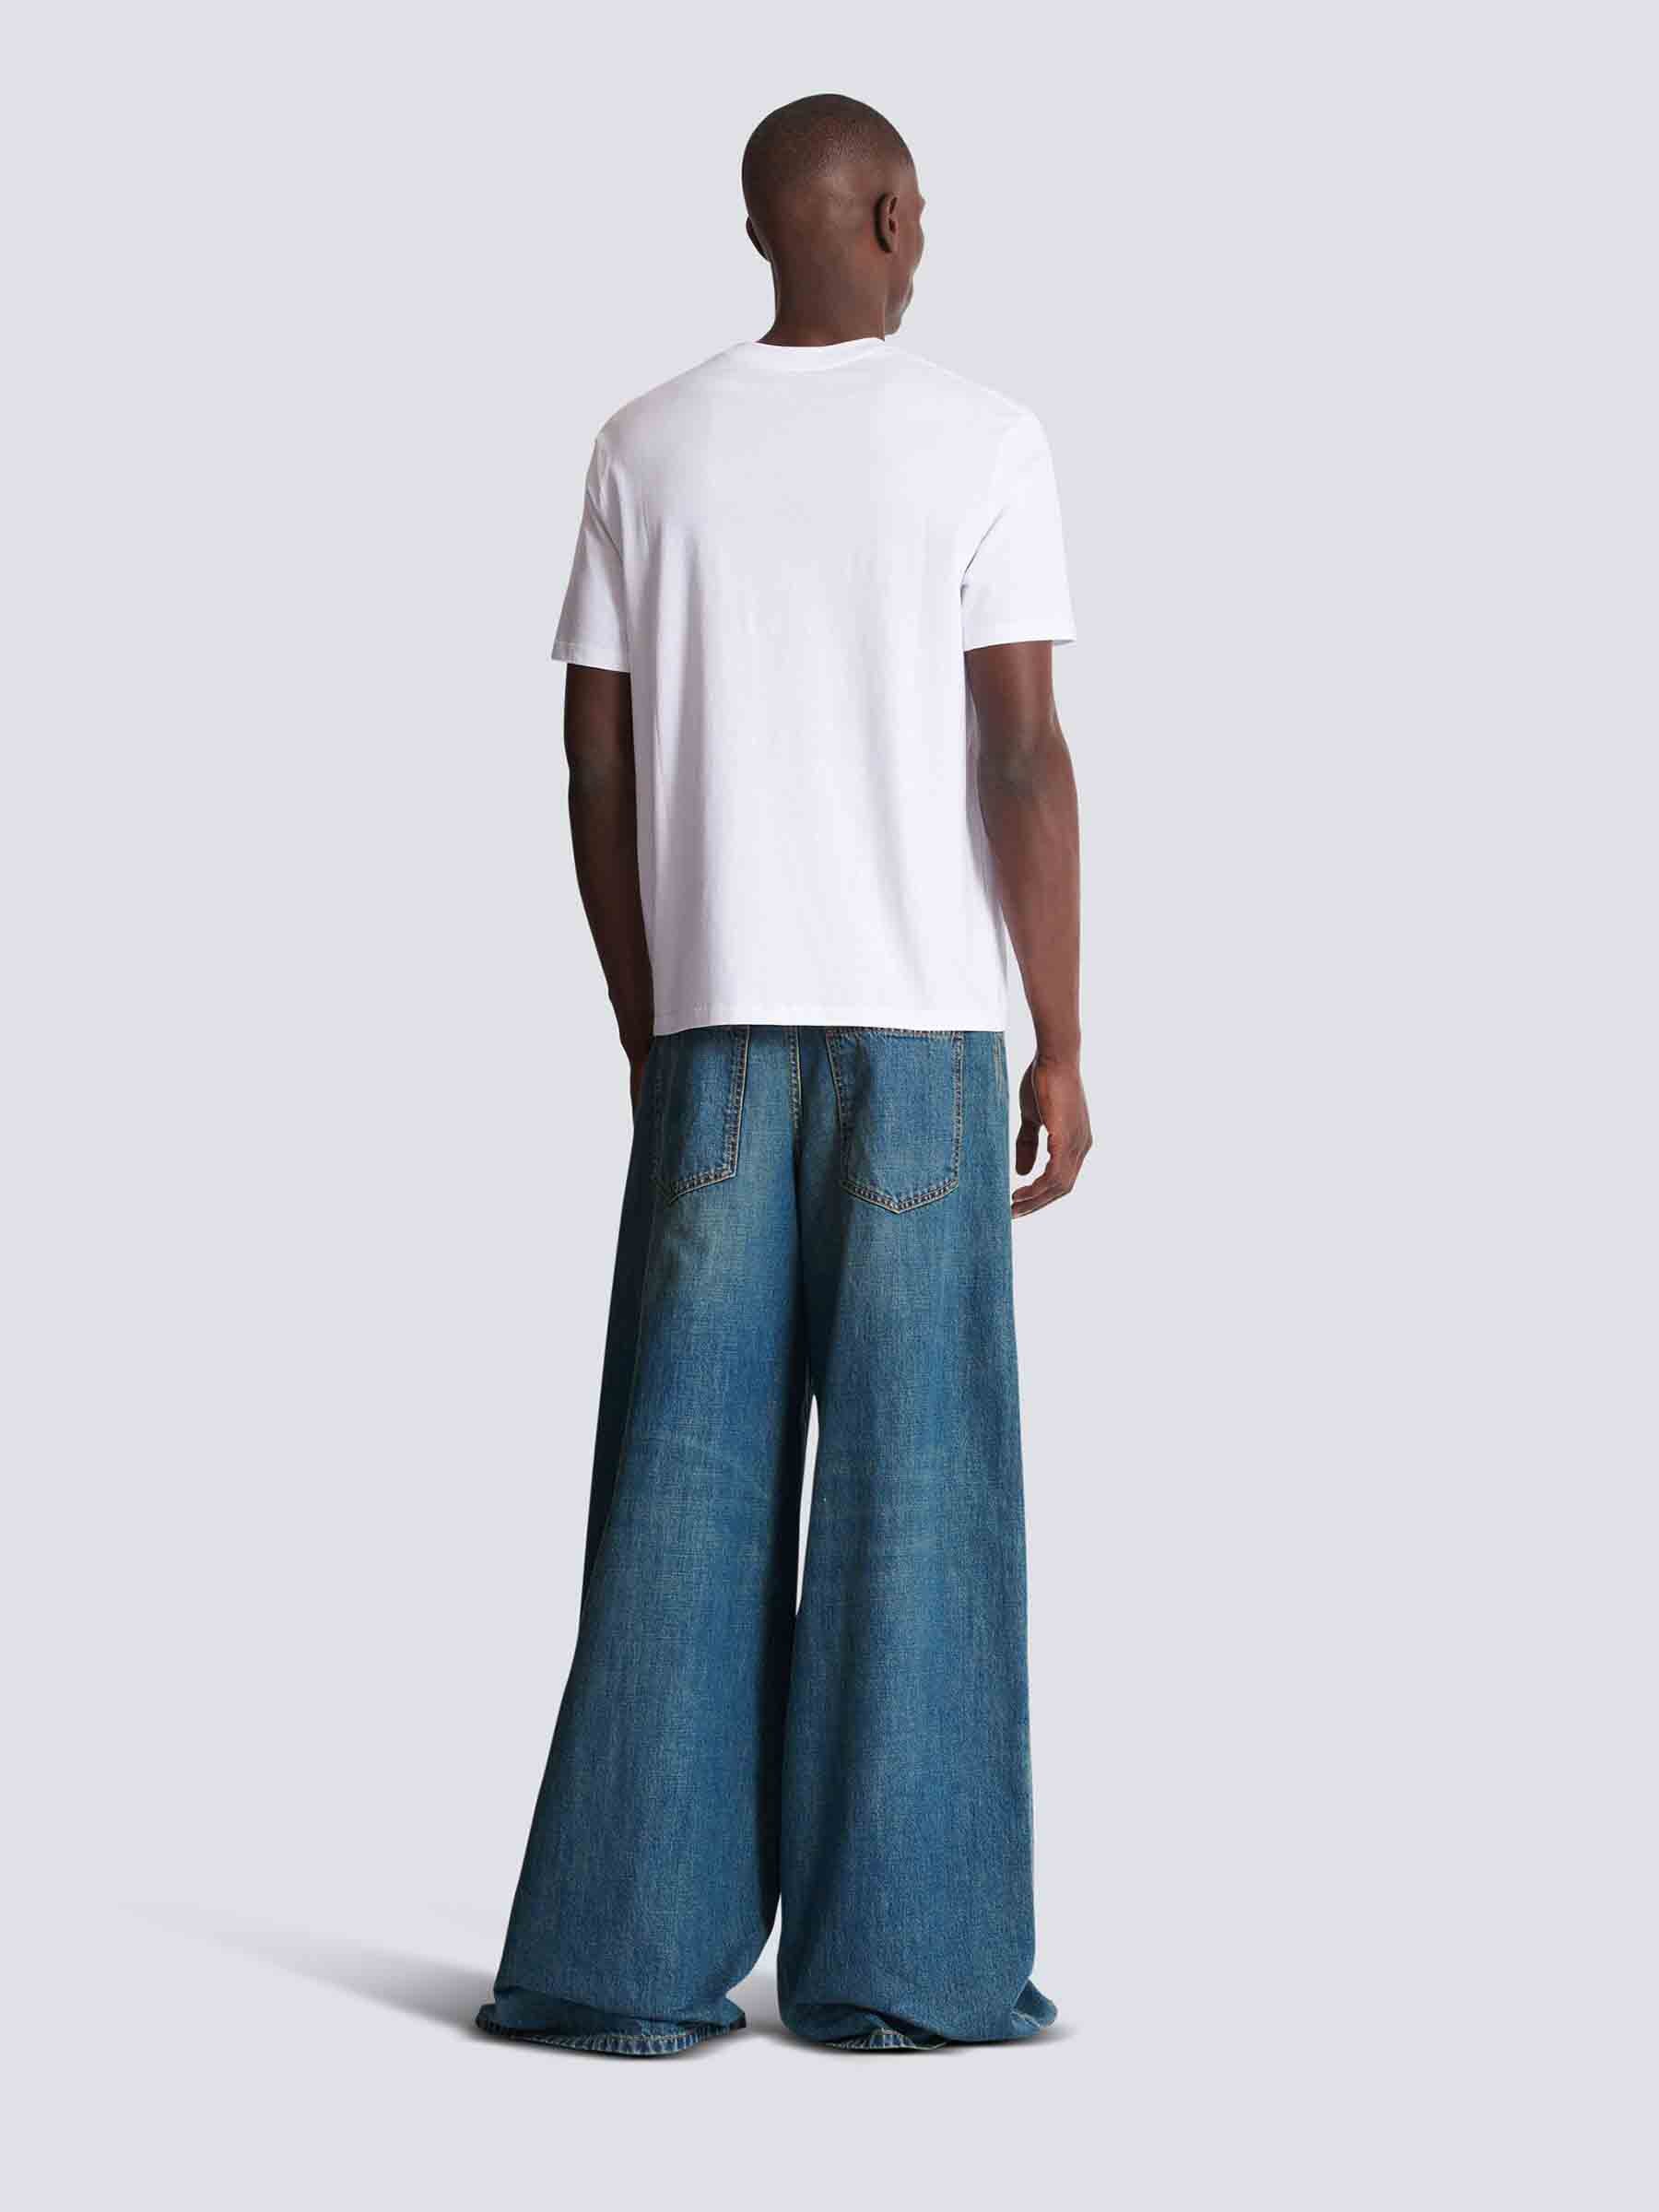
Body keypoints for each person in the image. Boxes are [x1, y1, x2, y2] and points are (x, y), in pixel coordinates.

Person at [478, 91, 1089, 2057]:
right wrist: (1065, 1034)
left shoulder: (643, 444)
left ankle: (616, 1969)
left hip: (715, 1048)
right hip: (923, 1044)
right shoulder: (985, 440)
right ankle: (908, 1976)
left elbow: (589, 762)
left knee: (681, 1489)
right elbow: (1021, 756)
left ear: (765, 229)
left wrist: (647, 1017)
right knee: (924, 1504)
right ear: (891, 215)